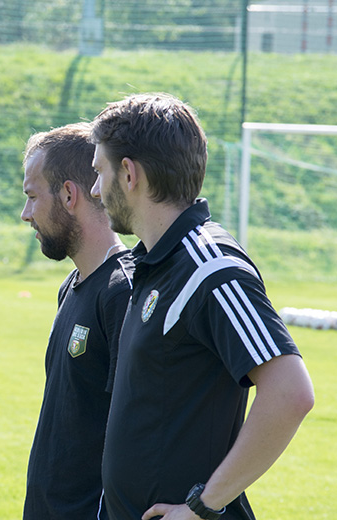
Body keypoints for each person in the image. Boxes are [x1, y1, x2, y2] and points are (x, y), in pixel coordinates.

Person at [89, 93, 315, 520]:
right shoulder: (156, 262)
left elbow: (290, 393)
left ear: (129, 173)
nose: (96, 189)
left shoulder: (211, 269)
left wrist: (201, 507)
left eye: (99, 171)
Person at [19, 123, 135, 520]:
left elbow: (135, 429)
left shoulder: (123, 293)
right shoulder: (73, 284)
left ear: (69, 195)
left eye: (32, 197)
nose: (25, 214)